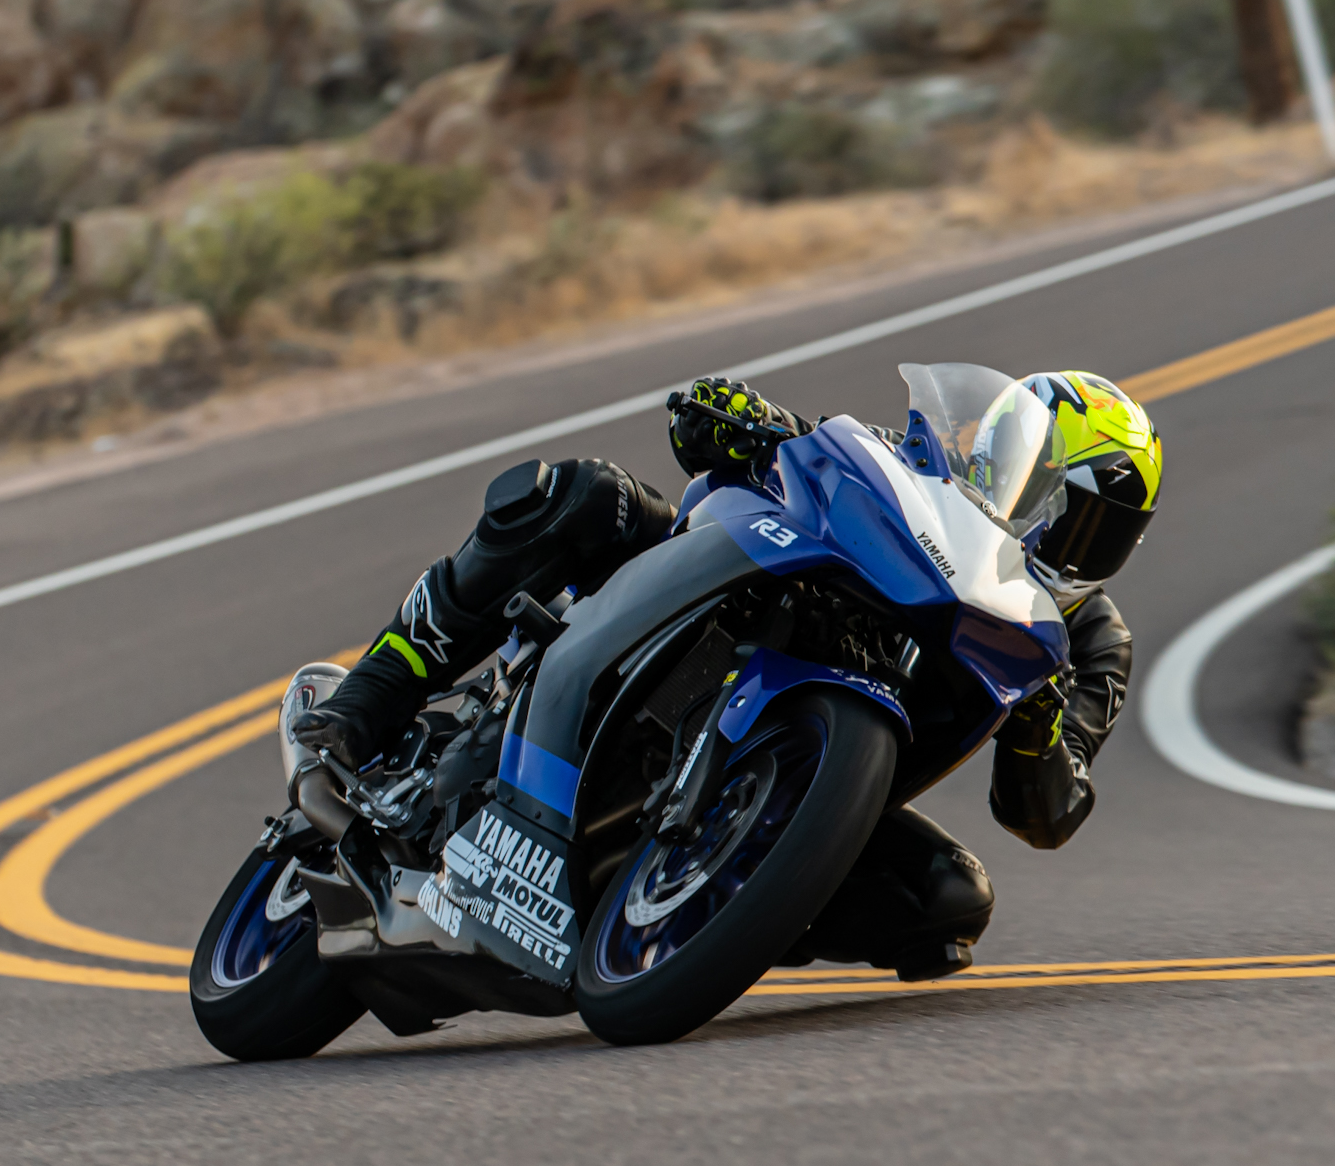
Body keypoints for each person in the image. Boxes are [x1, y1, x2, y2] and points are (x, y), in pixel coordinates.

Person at [293, 372, 1163, 979]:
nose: (1058, 529)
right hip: (724, 607)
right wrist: (737, 421)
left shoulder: (1084, 642)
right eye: (1050, 488)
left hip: (812, 773)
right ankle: (367, 699)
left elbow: (1044, 813)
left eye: (1093, 527)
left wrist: (1042, 722)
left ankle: (694, 915)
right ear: (1008, 452)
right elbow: (792, 460)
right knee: (585, 494)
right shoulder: (920, 471)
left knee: (943, 903)